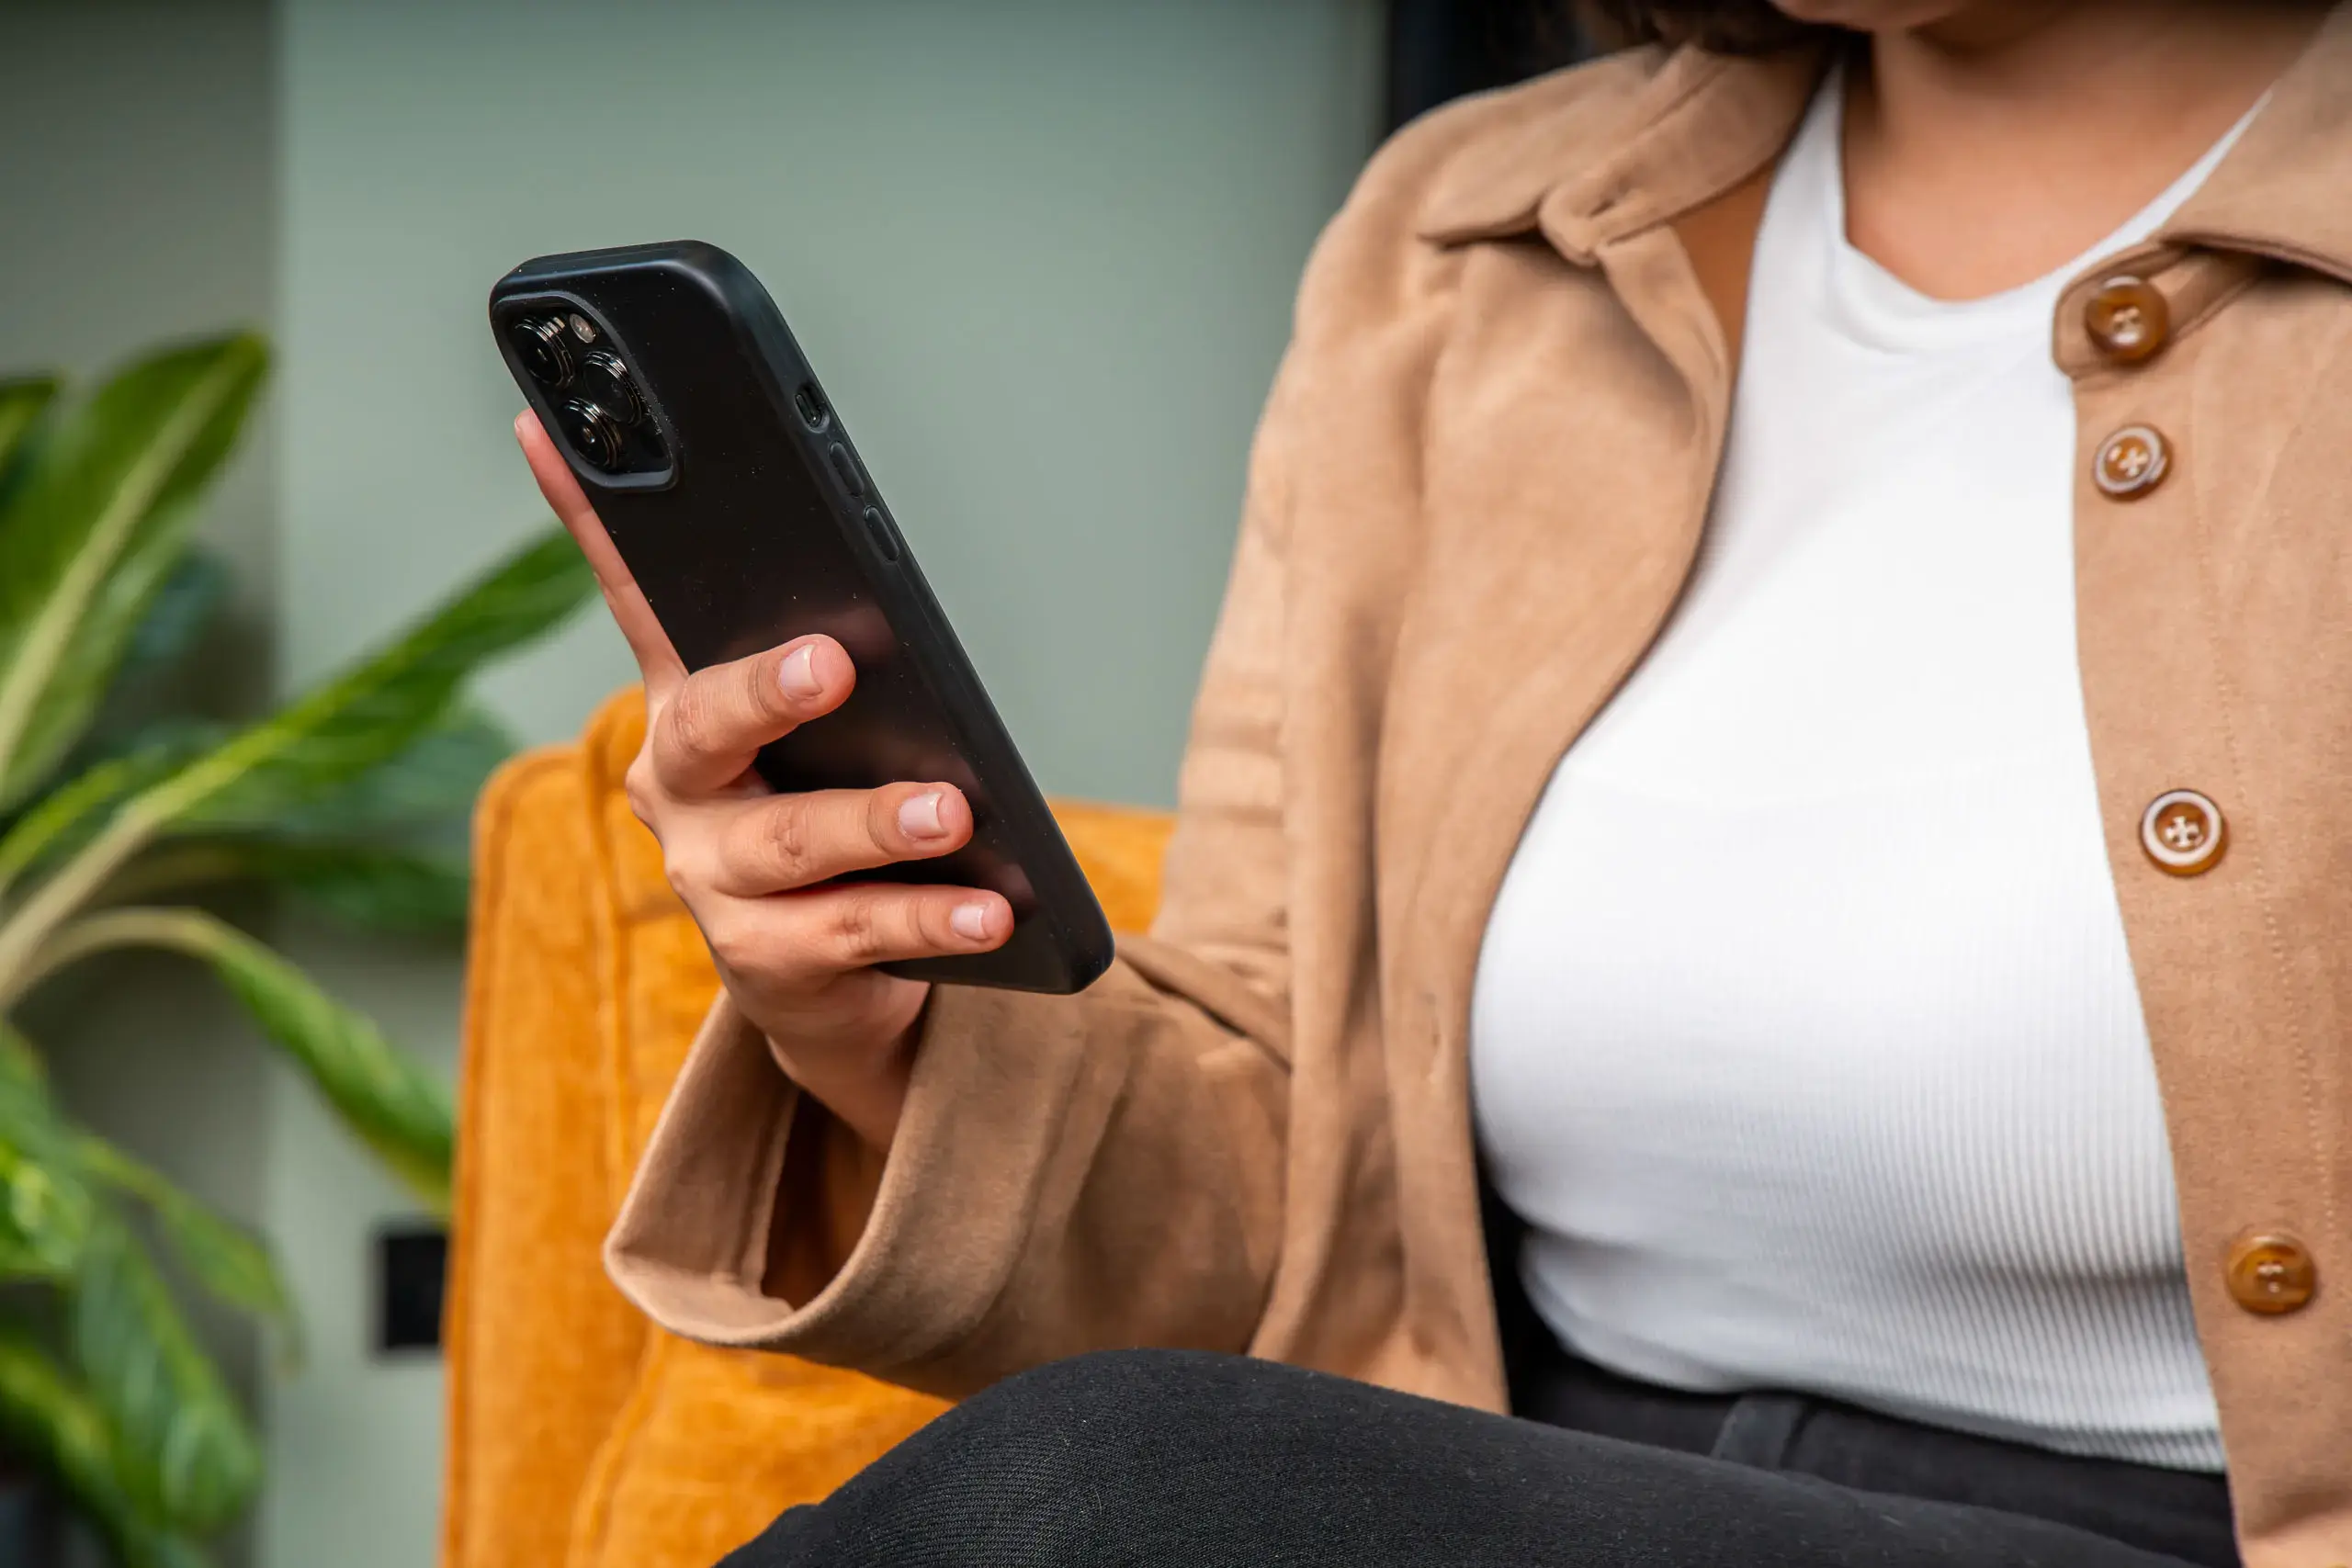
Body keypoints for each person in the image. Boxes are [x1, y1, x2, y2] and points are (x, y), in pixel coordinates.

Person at [514, 1, 2352, 1562]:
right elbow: (1295, 1188)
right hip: (1508, 1485)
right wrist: (880, 1020)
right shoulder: (1460, 248)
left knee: (1102, 1491)